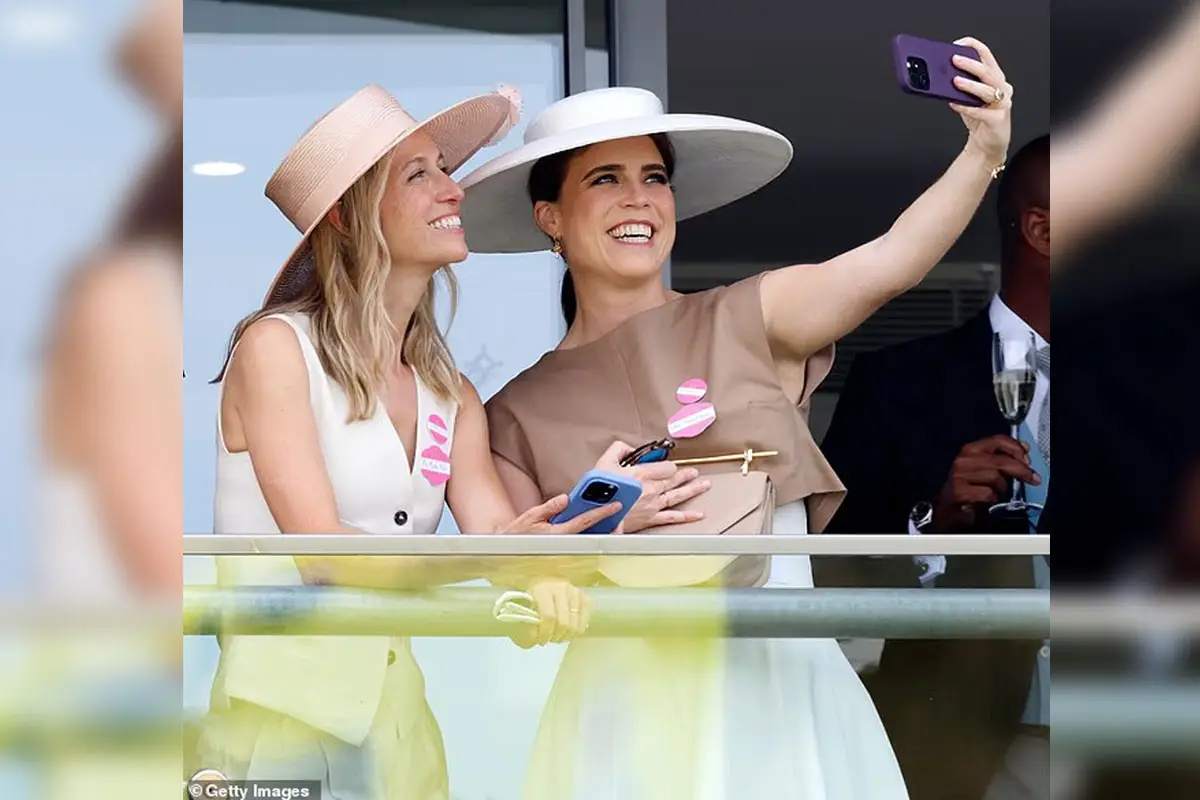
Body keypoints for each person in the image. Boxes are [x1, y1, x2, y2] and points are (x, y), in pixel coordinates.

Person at [458, 36, 1013, 800]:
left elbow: (892, 261)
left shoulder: (754, 315)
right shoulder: (511, 415)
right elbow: (528, 592)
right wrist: (604, 519)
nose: (639, 199)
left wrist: (984, 150)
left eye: (654, 177)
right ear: (550, 216)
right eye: (606, 179)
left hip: (779, 683)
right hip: (622, 709)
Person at [196, 85, 625, 800]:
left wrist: (556, 563)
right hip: (275, 729)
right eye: (417, 173)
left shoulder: (450, 393)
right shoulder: (275, 349)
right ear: (344, 214)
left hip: (402, 732)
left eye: (444, 168)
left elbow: (495, 538)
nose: (451, 188)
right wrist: (499, 555)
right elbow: (325, 556)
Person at [817, 134, 1051, 800]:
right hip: (957, 744)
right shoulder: (899, 381)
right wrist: (932, 525)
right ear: (1043, 229)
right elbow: (827, 571)